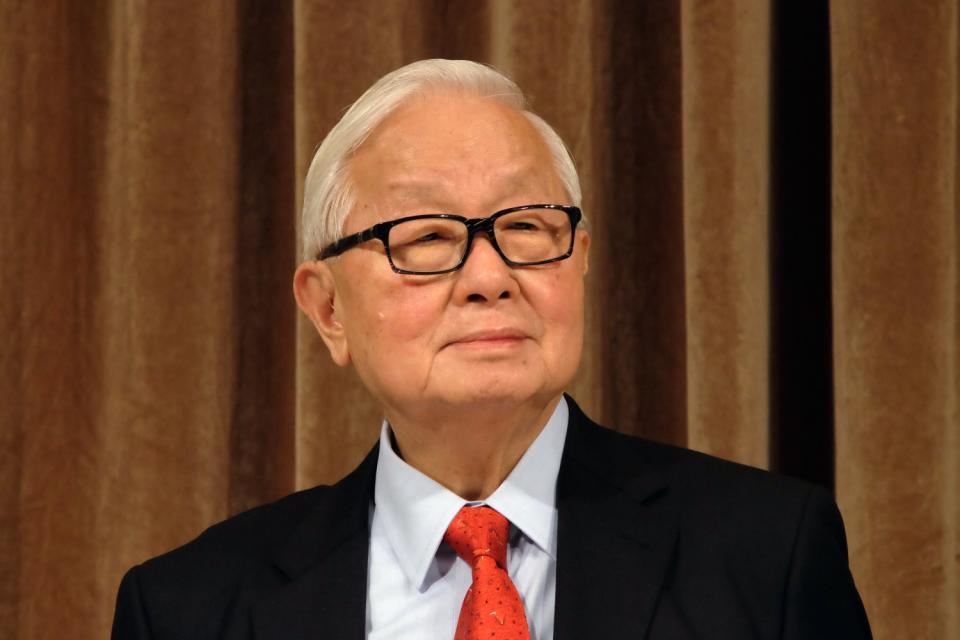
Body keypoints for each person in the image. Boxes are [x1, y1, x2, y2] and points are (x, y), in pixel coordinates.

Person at [111, 59, 871, 639]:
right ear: (329, 308)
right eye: (427, 237)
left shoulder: (766, 555)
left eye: (527, 227)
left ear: (580, 260)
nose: (489, 276)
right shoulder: (189, 607)